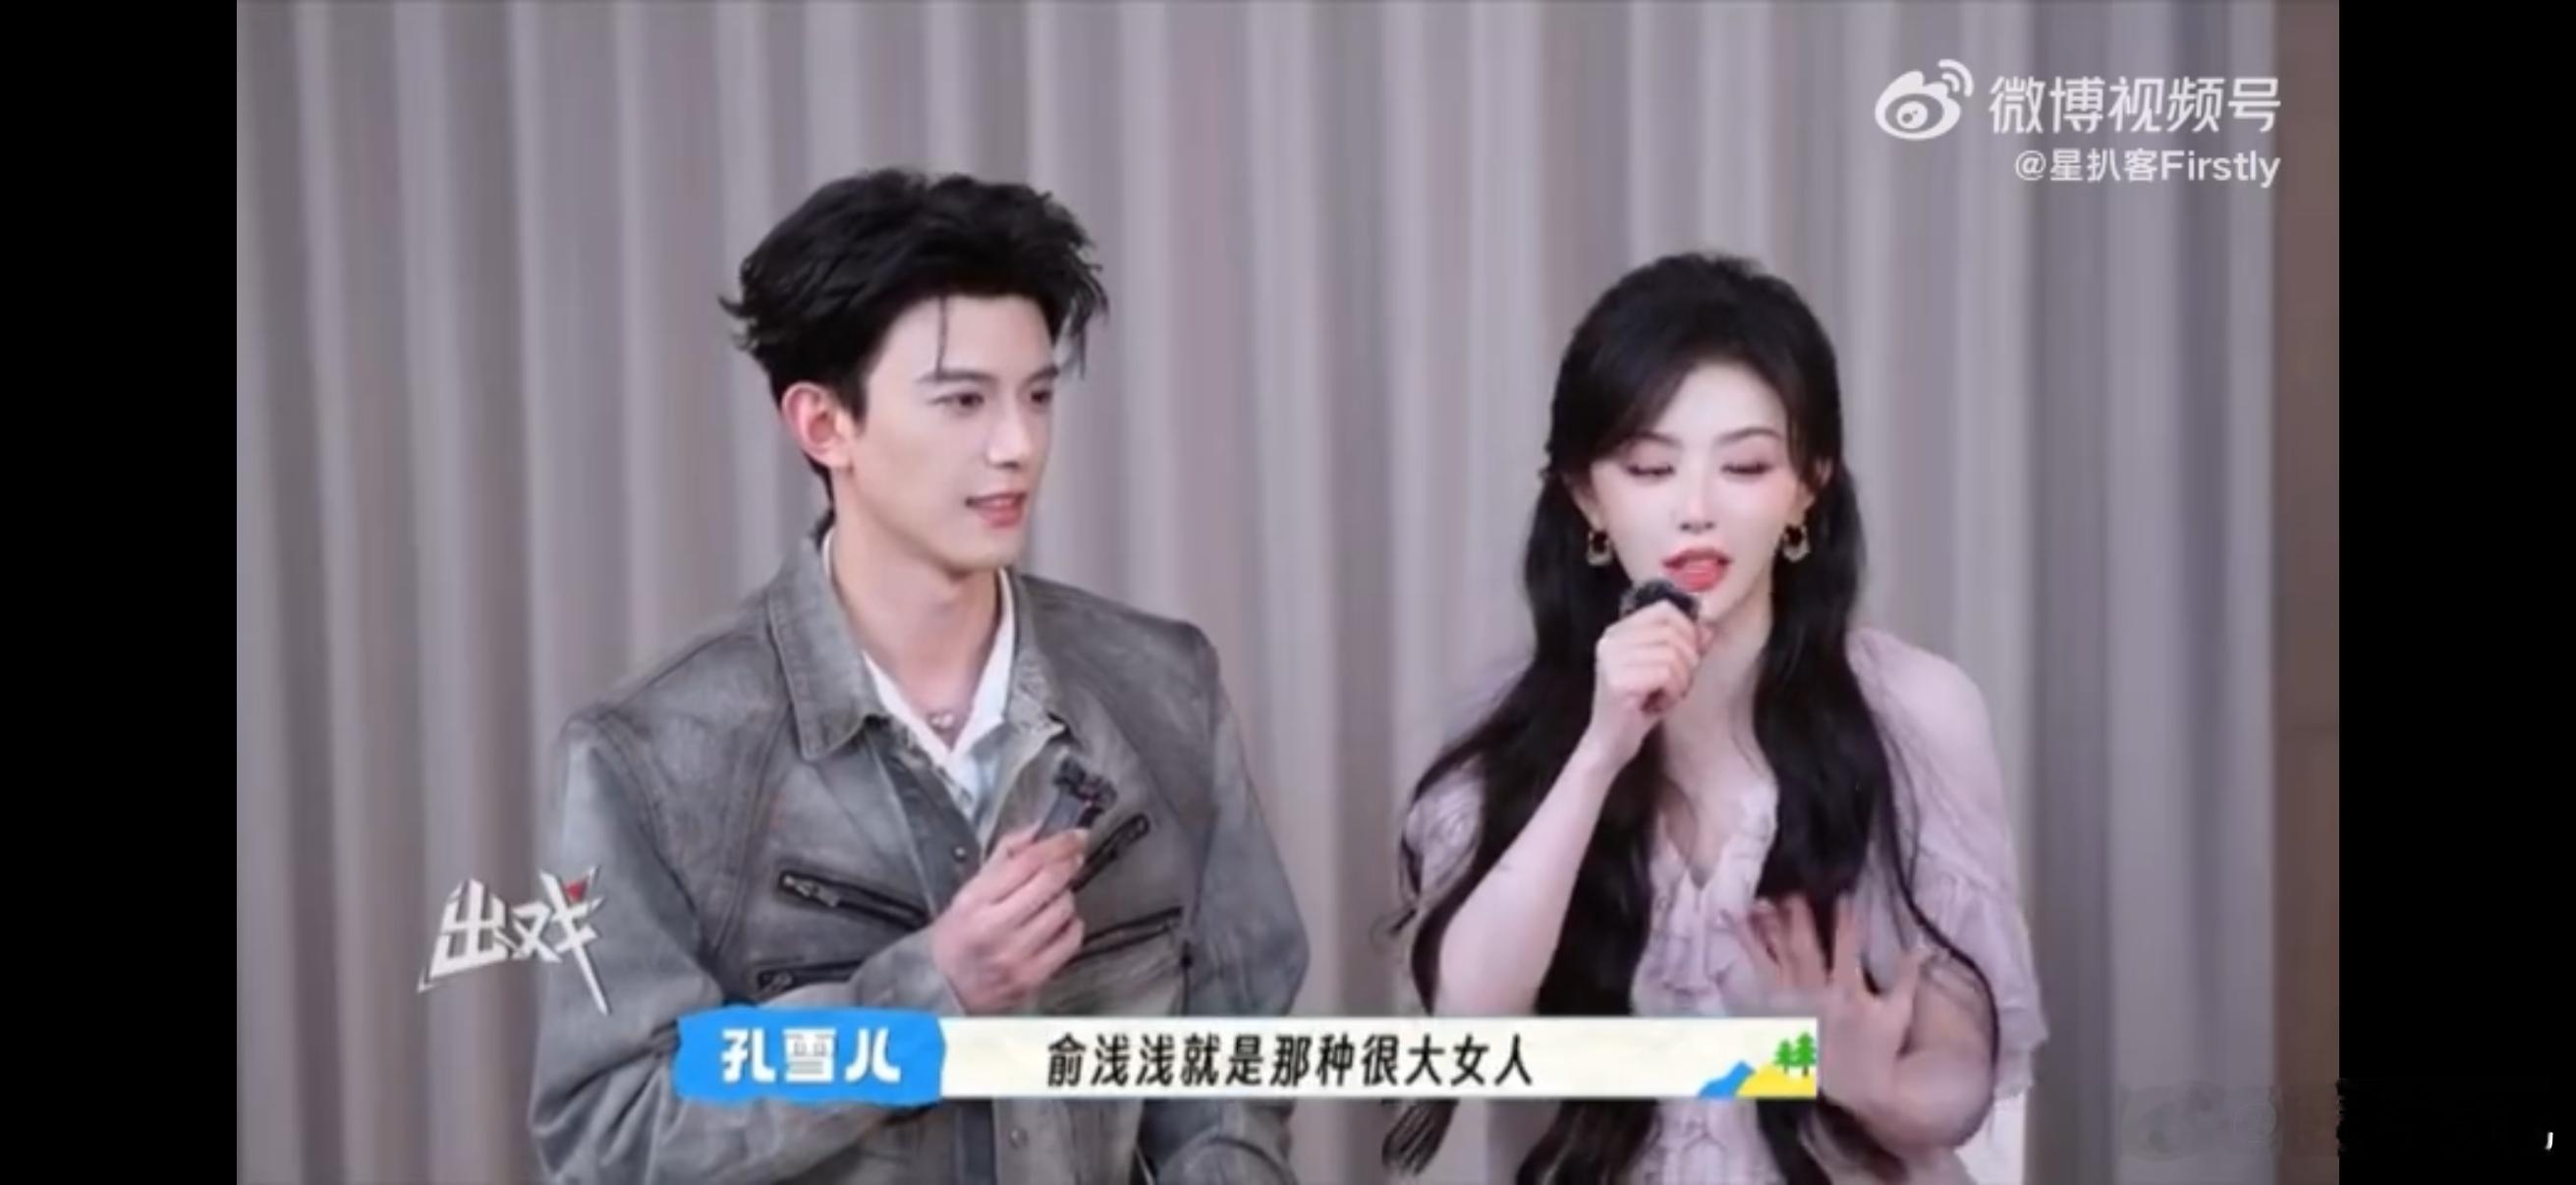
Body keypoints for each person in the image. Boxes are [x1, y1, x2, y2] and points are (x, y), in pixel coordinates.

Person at [527, 168, 1309, 1185]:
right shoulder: (650, 757)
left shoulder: (1164, 691)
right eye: (962, 401)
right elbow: (610, 1134)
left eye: (1037, 396)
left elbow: (1232, 1065)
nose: (1017, 445)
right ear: (824, 425)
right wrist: (923, 1000)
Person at [1381, 252, 2046, 1183]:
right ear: (1587, 495)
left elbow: (1964, 1072)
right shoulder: (1515, 735)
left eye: (1745, 465)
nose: (1696, 510)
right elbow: (1467, 1027)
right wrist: (1601, 750)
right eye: (1651, 467)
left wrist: (1872, 1082)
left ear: (1807, 486)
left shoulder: (1914, 710)